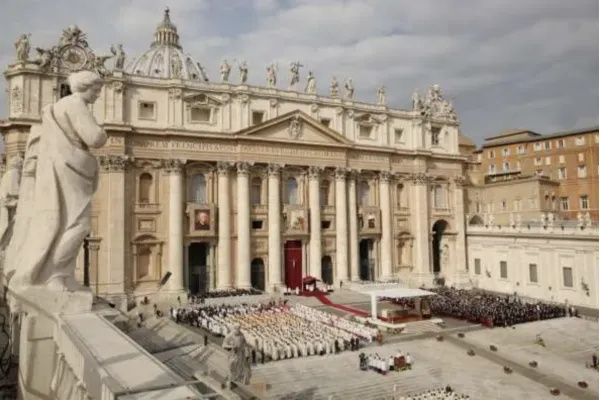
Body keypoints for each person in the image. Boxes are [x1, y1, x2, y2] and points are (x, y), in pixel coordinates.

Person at [7, 70, 107, 296]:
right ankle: (55, 275)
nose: (99, 94)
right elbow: (95, 138)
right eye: (97, 89)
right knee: (76, 225)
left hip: (63, 169)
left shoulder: (58, 106)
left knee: (63, 223)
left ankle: (55, 274)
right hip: (69, 170)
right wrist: (103, 131)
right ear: (85, 87)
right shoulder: (75, 105)